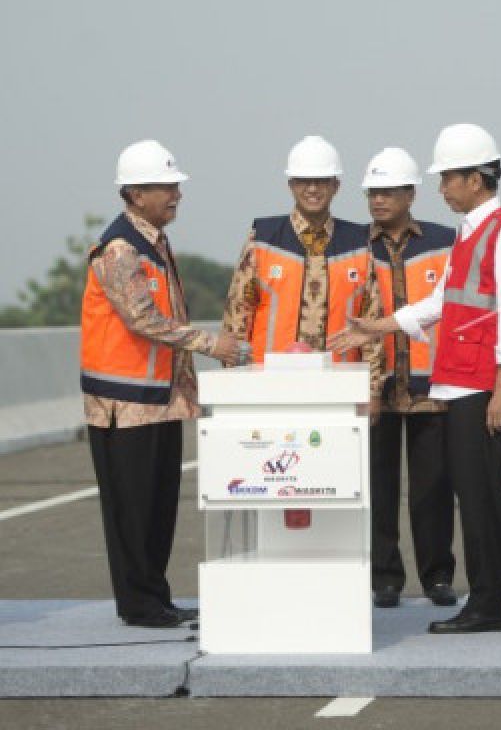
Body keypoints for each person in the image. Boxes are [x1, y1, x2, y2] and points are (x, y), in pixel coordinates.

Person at [331, 123, 501, 634]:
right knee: (479, 490)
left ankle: (490, 604)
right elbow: (440, 302)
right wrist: (376, 326)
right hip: (455, 378)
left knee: (479, 494)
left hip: (478, 383)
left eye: (448, 178)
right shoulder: (470, 230)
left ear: (476, 178)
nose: (442, 188)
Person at [82, 140, 243, 628]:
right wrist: (210, 344)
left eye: (175, 186)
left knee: (157, 506)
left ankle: (156, 597)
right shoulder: (120, 248)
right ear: (134, 193)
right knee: (132, 511)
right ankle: (139, 604)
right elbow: (143, 320)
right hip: (124, 402)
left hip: (160, 399)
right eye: (164, 187)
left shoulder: (154, 241)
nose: (175, 195)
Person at [361, 147, 459, 609]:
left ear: (409, 194)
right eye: (372, 192)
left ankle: (438, 576)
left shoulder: (445, 240)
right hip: (378, 386)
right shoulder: (358, 246)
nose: (378, 200)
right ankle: (384, 578)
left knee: (433, 489)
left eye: (387, 192)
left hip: (429, 384)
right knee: (378, 488)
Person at [221, 134, 383, 397]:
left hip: (339, 389)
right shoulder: (262, 240)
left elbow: (371, 325)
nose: (312, 189)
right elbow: (237, 319)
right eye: (304, 181)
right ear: (291, 185)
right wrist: (234, 384)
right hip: (268, 388)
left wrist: (373, 391)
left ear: (336, 186)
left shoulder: (358, 244)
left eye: (321, 181)